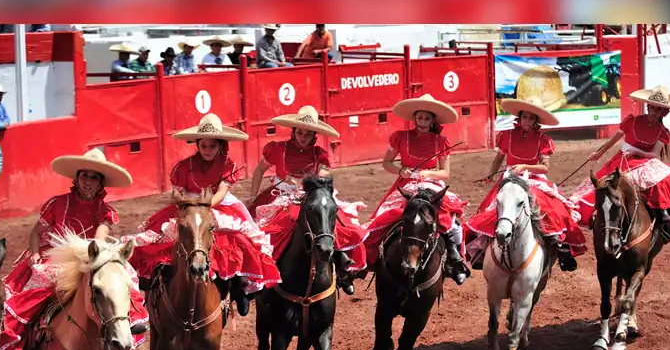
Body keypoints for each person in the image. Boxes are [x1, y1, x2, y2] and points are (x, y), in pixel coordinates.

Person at [1, 149, 148, 350]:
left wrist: (90, 258)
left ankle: (127, 336)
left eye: (95, 177)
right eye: (85, 176)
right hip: (56, 256)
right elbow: (35, 233)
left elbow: (97, 242)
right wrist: (34, 253)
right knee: (32, 293)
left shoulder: (105, 211)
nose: (88, 182)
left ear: (101, 184)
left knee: (123, 281)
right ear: (76, 178)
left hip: (91, 257)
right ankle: (22, 343)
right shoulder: (57, 204)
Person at [126, 114, 280, 316]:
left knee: (242, 238)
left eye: (212, 146)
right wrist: (188, 203)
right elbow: (177, 193)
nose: (207, 150)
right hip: (188, 206)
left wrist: (204, 205)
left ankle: (239, 287)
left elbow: (221, 193)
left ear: (221, 145)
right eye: (204, 146)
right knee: (159, 240)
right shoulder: (183, 166)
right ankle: (157, 286)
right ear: (197, 144)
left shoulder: (228, 164)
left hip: (218, 205)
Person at [246, 106, 367, 294]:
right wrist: (254, 195)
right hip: (283, 196)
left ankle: (342, 265)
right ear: (293, 131)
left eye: (307, 134)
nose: (303, 137)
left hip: (311, 194)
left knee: (335, 219)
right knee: (275, 227)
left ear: (314, 136)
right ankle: (266, 269)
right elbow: (260, 170)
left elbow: (323, 178)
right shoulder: (278, 149)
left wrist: (306, 183)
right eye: (300, 132)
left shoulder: (320, 154)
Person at [570, 85, 670, 243]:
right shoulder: (632, 121)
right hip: (623, 160)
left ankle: (666, 217)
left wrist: (638, 153)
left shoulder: (663, 131)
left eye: (659, 110)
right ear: (648, 107)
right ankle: (600, 218)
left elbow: (655, 154)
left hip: (646, 160)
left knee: (665, 181)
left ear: (664, 112)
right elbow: (612, 141)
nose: (655, 112)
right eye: (653, 108)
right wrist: (599, 154)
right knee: (602, 188)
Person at [463, 97, 587, 272]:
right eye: (524, 117)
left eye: (531, 117)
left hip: (533, 179)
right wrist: (491, 174)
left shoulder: (543, 140)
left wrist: (524, 167)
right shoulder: (507, 136)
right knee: (494, 209)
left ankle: (560, 246)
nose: (527, 121)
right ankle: (482, 250)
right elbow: (499, 157)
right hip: (509, 178)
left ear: (536, 120)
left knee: (549, 208)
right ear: (519, 118)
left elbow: (545, 168)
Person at [360, 94, 470, 284]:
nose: (423, 121)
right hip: (406, 184)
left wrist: (427, 175)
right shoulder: (400, 137)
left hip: (432, 185)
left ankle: (455, 259)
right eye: (420, 117)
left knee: (449, 219)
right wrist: (401, 170)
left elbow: (445, 173)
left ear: (432, 120)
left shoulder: (441, 141)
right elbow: (387, 163)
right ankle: (371, 259)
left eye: (427, 118)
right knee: (384, 217)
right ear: (414, 118)